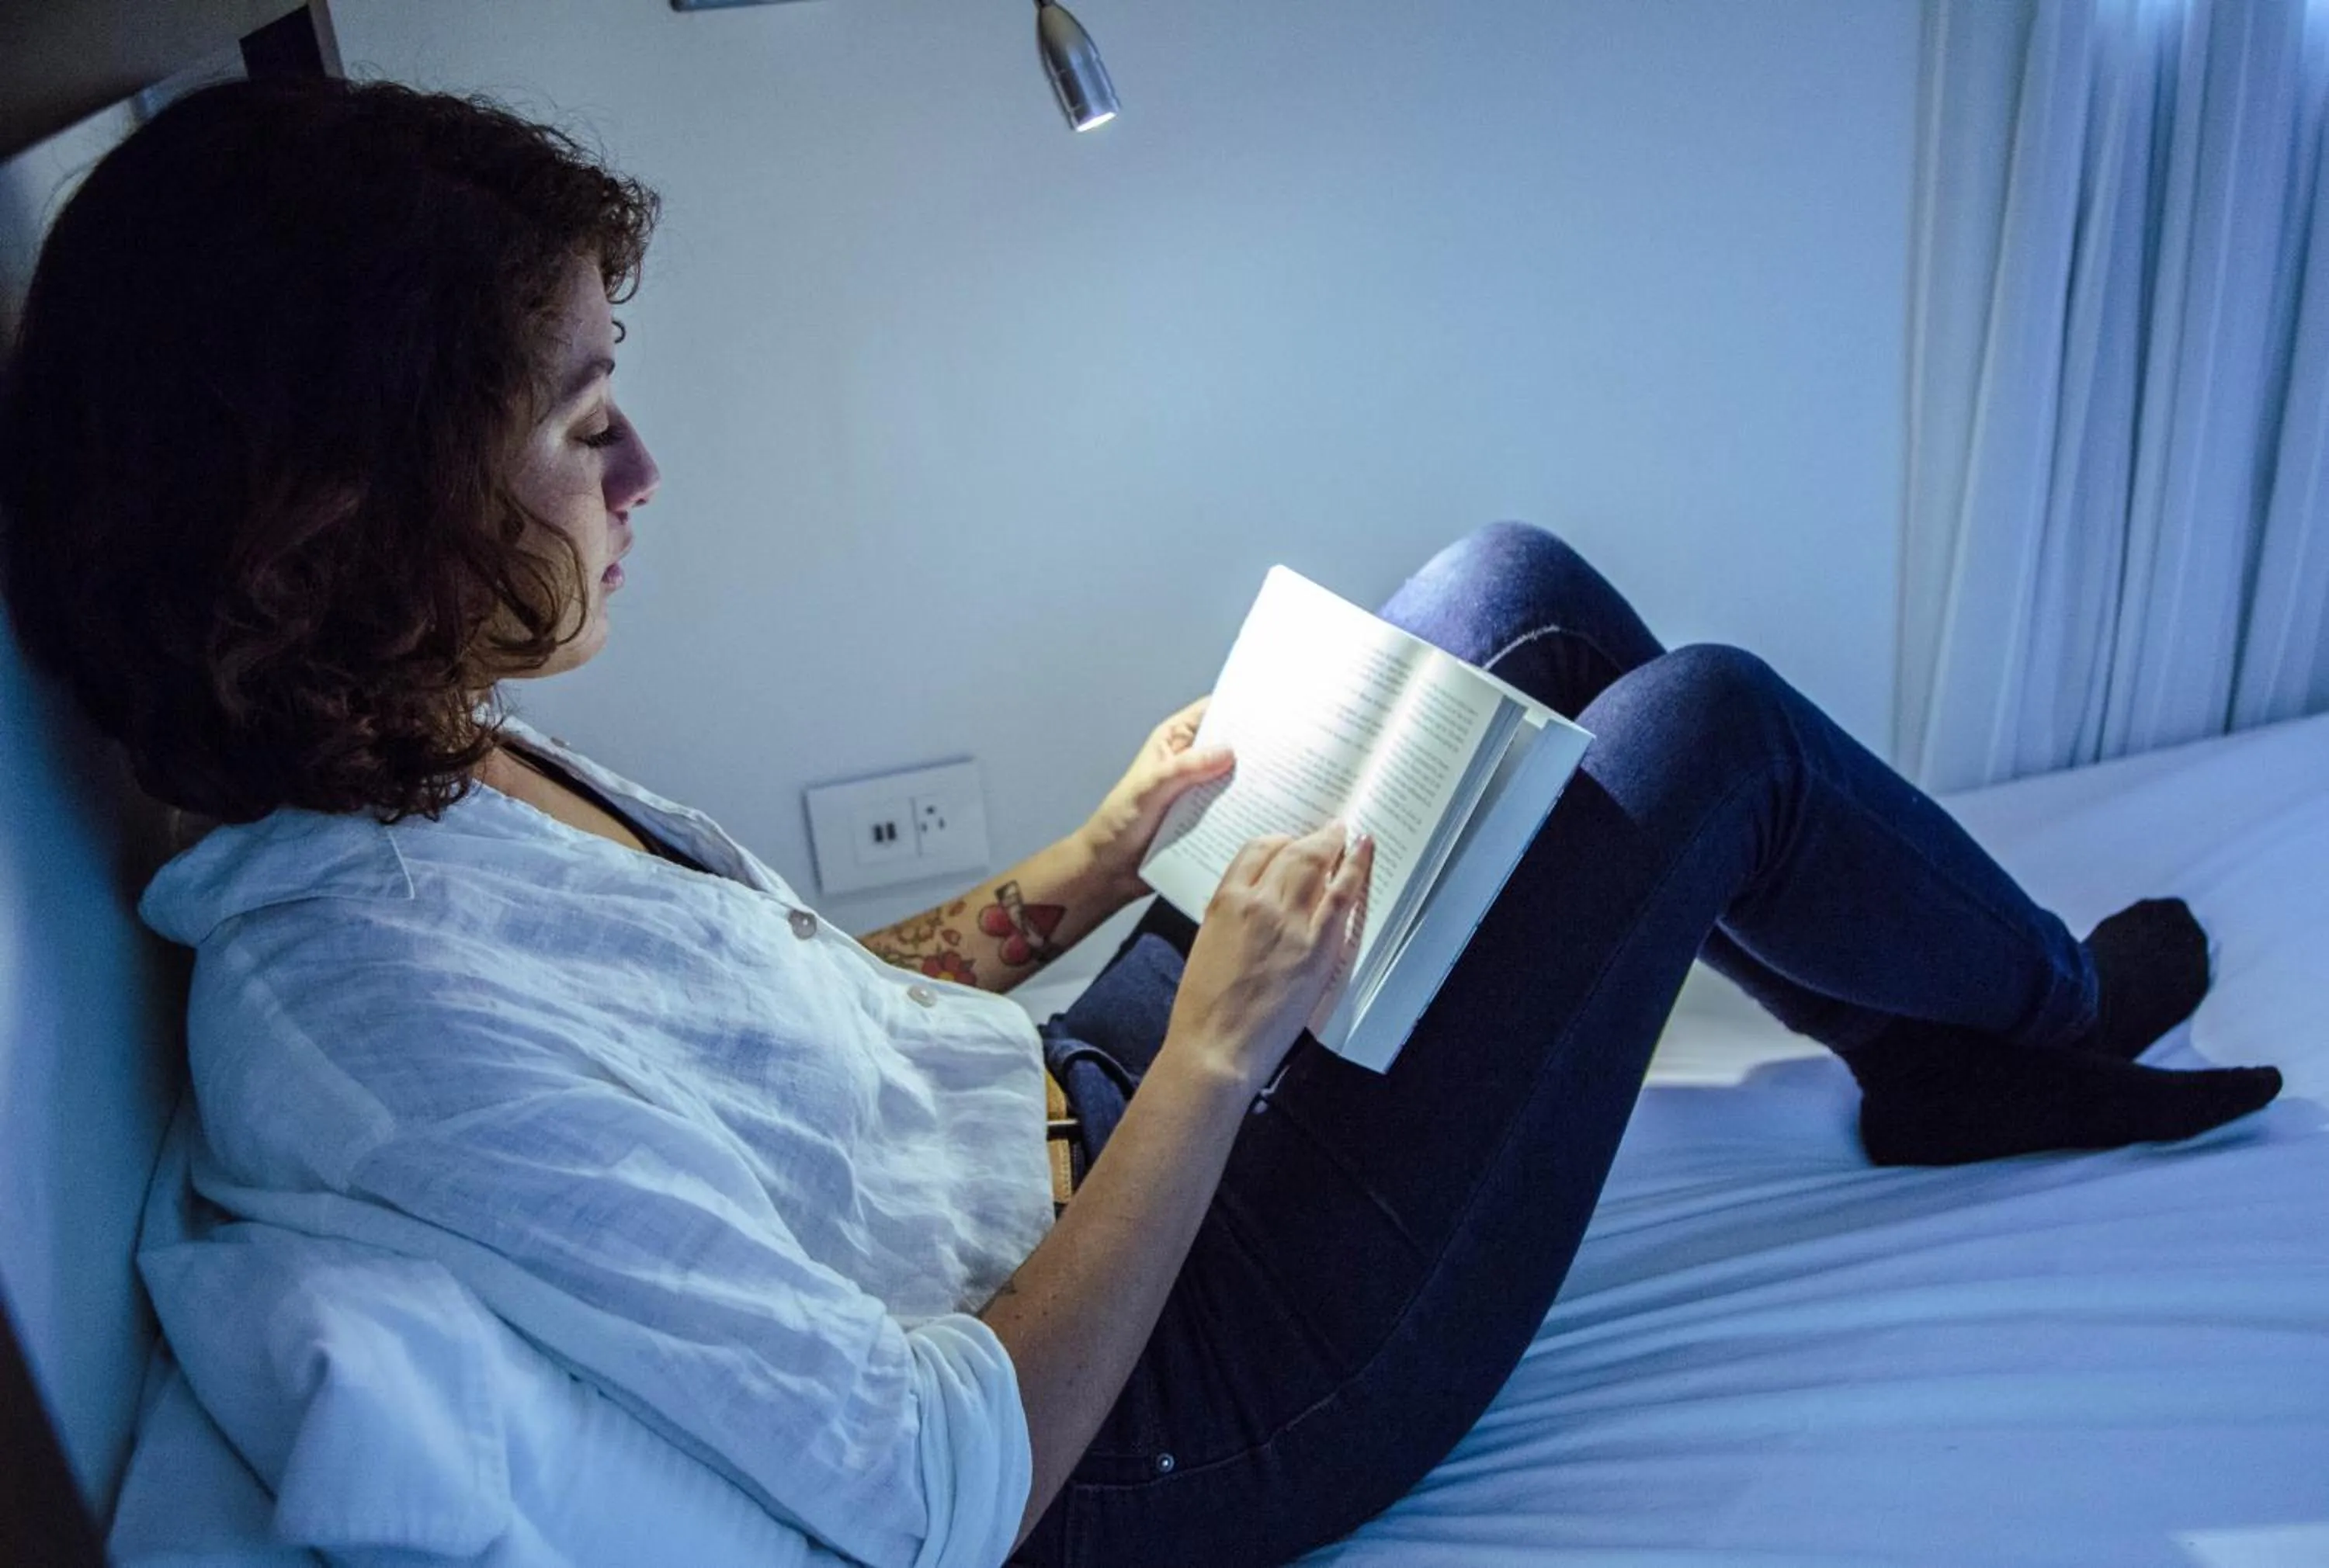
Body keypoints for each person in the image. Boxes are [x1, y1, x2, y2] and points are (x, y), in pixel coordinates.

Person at [0, 76, 2282, 1568]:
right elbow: (937, 1480)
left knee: (1513, 596)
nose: (645, 476)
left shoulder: (420, 740)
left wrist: (1088, 871)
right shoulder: (370, 1010)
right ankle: (2037, 1026)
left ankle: (1929, 1047)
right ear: (348, 507)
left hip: (1071, 1122)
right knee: (1707, 737)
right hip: (1181, 1395)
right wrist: (1217, 1054)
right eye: (585, 421)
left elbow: (776, 1034)